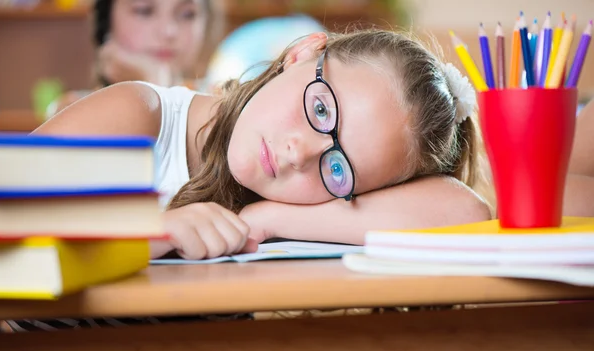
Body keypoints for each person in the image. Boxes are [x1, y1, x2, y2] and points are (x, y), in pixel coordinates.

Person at [33, 28, 594, 261]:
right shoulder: (143, 118)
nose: (302, 154)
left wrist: (268, 218)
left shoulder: (289, 206)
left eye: (337, 168)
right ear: (302, 52)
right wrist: (141, 232)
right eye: (320, 109)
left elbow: (464, 209)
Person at [48, 0, 215, 116]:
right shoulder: (73, 111)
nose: (168, 31)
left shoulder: (219, 105)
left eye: (187, 14)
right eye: (144, 10)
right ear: (106, 20)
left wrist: (157, 88)